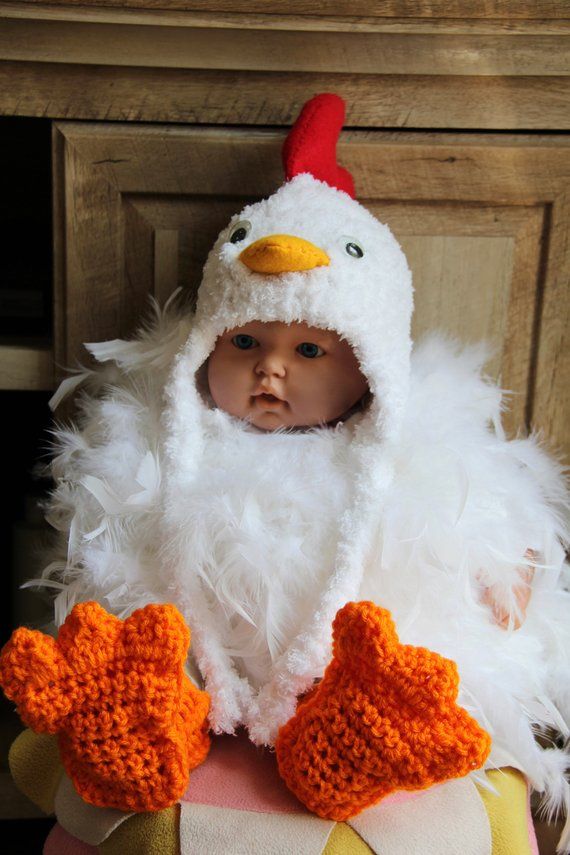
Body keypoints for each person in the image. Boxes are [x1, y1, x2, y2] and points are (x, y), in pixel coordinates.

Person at [1, 93, 568, 852]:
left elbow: (477, 510)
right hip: (200, 672)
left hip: (340, 673)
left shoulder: (408, 450)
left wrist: (506, 562)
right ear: (205, 349)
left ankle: (353, 737)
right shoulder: (170, 440)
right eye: (244, 341)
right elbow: (110, 543)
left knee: (394, 676)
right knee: (141, 650)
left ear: (370, 372)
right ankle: (141, 724)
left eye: (309, 351)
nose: (271, 367)